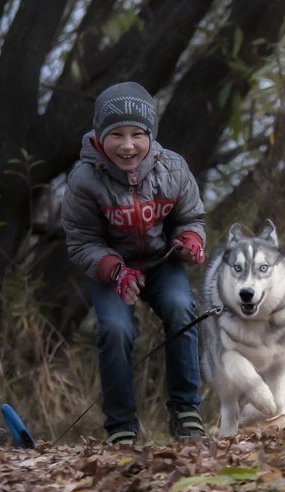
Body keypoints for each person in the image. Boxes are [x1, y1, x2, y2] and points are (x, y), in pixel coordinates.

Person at [61, 81, 207, 445]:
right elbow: (81, 241)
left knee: (180, 307)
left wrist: (190, 240)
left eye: (137, 135)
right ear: (99, 136)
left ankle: (186, 410)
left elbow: (191, 218)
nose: (127, 145)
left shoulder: (172, 168)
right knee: (115, 331)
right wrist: (114, 269)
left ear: (151, 135)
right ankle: (121, 426)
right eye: (116, 135)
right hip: (112, 269)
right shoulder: (83, 181)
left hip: (161, 261)